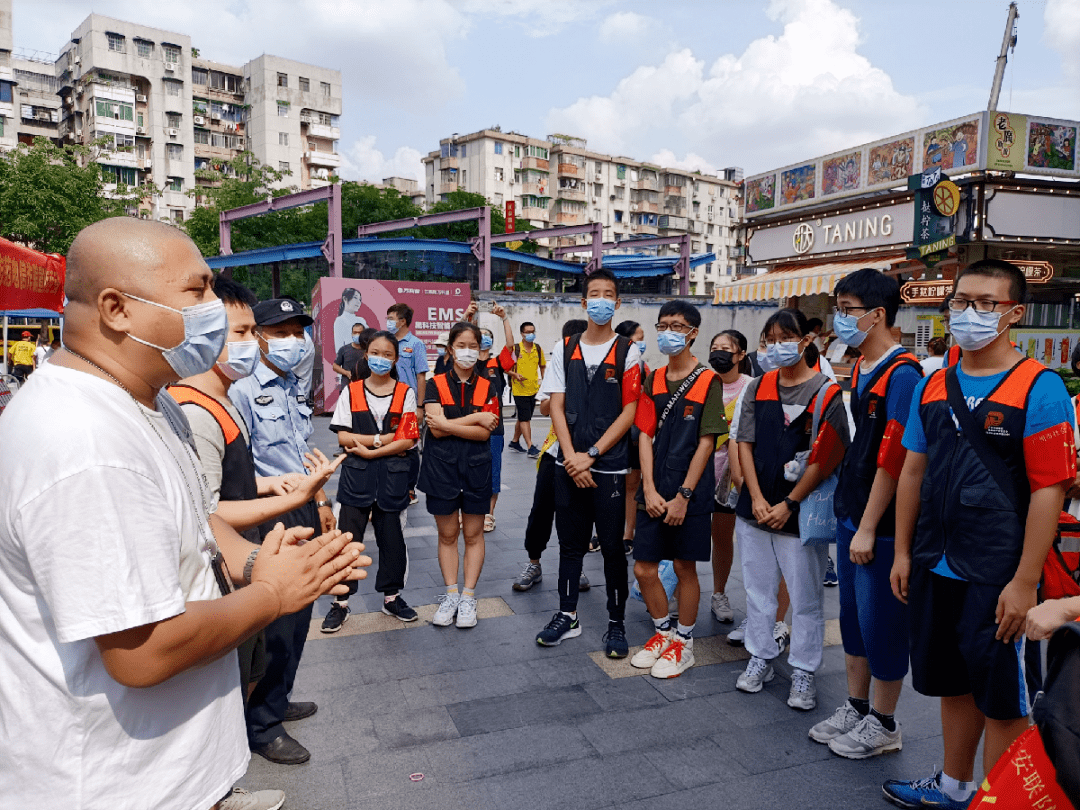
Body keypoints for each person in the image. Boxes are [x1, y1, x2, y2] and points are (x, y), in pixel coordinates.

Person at [0, 217, 367, 810]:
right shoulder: (87, 444)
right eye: (196, 292)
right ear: (117, 308)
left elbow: (197, 516)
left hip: (173, 769)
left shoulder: (149, 400)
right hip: (116, 784)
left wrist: (260, 560)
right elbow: (141, 652)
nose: (215, 312)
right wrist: (272, 596)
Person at [884, 259, 1076, 809]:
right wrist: (902, 552)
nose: (970, 312)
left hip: (997, 573)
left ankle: (997, 802)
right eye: (961, 301)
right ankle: (954, 787)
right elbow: (913, 469)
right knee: (952, 682)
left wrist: (1024, 581)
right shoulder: (935, 382)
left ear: (1013, 313)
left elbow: (1048, 491)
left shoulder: (1039, 388)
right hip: (935, 562)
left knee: (1003, 701)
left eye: (986, 303)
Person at [809, 268, 922, 760]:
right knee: (853, 620)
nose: (840, 319)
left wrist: (870, 527)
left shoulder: (903, 374)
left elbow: (894, 460)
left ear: (878, 314)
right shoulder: (859, 367)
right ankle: (856, 707)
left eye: (849, 310)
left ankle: (885, 721)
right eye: (839, 308)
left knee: (883, 625)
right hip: (853, 513)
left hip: (881, 524)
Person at [229, 297, 339, 765]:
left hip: (302, 506)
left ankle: (277, 696)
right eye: (281, 332)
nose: (294, 341)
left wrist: (319, 501)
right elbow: (238, 470)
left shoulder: (293, 383)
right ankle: (262, 725)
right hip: (266, 513)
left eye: (299, 332)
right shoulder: (240, 390)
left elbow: (299, 449)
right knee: (275, 621)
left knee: (299, 616)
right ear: (258, 336)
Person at [734, 307, 850, 711]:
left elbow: (827, 457)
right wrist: (758, 497)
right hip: (755, 508)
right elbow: (743, 443)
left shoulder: (826, 393)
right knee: (758, 591)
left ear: (806, 341)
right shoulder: (758, 386)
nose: (777, 346)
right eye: (770, 339)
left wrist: (789, 502)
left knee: (804, 598)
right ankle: (761, 656)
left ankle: (803, 669)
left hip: (799, 515)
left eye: (787, 338)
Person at [535, 269, 641, 658]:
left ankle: (616, 622)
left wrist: (592, 455)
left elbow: (629, 411)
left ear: (617, 303)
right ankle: (567, 615)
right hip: (569, 464)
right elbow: (556, 406)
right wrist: (571, 457)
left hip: (609, 465)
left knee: (612, 548)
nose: (600, 300)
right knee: (570, 545)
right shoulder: (565, 348)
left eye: (608, 294)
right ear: (583, 302)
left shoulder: (630, 351)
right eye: (593, 293)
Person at [630, 301, 726, 679]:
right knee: (643, 568)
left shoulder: (708, 380)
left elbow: (707, 442)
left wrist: (684, 496)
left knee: (685, 567)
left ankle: (684, 644)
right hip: (654, 489)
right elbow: (644, 435)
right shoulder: (652, 379)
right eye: (663, 324)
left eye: (677, 325)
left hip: (691, 493)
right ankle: (662, 633)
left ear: (693, 333)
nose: (669, 331)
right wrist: (650, 491)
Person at [324, 331, 422, 631]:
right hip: (357, 478)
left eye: (388, 354)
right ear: (367, 355)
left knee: (392, 540)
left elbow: (407, 440)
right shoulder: (351, 391)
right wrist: (380, 441)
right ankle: (341, 602)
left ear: (395, 359)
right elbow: (343, 436)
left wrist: (367, 449)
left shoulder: (405, 392)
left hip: (392, 479)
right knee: (346, 542)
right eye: (375, 352)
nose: (381, 358)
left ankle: (392, 598)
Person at [418, 320, 500, 629]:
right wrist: (476, 417)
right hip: (441, 469)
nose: (467, 351)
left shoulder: (488, 385)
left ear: (480, 352)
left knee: (474, 534)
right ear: (451, 349)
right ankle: (451, 593)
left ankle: (468, 596)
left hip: (477, 468)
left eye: (473, 346)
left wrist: (452, 425)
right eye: (461, 345)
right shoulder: (435, 383)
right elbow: (434, 431)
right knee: (448, 534)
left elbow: (483, 434)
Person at [512, 318, 590, 593]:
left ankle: (576, 565)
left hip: (587, 456)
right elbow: (545, 408)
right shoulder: (560, 366)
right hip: (554, 452)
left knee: (578, 514)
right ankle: (534, 563)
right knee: (541, 511)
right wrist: (569, 389)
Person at [707, 329, 753, 624]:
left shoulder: (752, 388)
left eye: (726, 348)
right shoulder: (700, 383)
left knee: (723, 537)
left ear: (740, 355)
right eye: (714, 347)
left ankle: (719, 593)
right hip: (696, 475)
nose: (719, 353)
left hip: (729, 480)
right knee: (682, 536)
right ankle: (672, 592)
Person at [470, 302, 515, 533]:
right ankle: (469, 512)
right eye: (481, 336)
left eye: (488, 336)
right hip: (468, 424)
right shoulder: (467, 363)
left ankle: (489, 513)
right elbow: (460, 341)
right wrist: (469, 317)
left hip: (494, 427)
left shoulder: (498, 362)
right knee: (468, 468)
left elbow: (510, 345)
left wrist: (504, 318)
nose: (485, 339)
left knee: (493, 470)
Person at [615, 319, 649, 556]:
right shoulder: (611, 365)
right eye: (639, 337)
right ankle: (606, 531)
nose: (642, 342)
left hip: (636, 436)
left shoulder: (644, 368)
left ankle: (629, 533)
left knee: (632, 486)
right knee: (610, 485)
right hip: (612, 435)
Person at [508, 320, 545, 457]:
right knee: (525, 419)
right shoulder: (516, 349)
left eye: (532, 331)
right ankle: (530, 447)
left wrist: (545, 381)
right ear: (522, 334)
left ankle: (515, 441)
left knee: (524, 416)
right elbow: (506, 368)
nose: (531, 334)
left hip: (533, 389)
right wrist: (515, 374)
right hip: (519, 389)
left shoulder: (538, 349)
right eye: (528, 332)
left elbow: (542, 366)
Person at [332, 321, 368, 387]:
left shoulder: (368, 350)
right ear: (352, 334)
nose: (357, 335)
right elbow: (335, 366)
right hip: (347, 387)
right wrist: (346, 373)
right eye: (355, 333)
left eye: (360, 333)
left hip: (364, 387)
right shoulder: (344, 349)